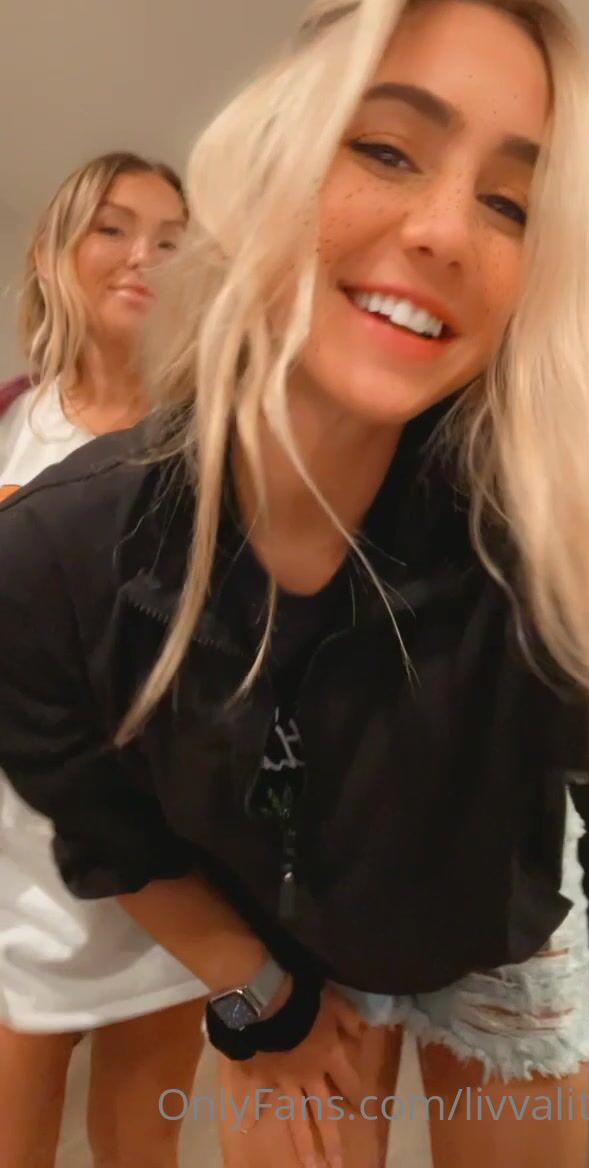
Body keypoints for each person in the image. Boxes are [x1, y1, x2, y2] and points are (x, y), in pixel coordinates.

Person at [1, 0, 589, 1165]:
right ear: (272, 166)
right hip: (287, 948)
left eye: (509, 202)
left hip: (493, 927)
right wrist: (263, 994)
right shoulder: (55, 557)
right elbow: (109, 831)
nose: (445, 229)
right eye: (386, 149)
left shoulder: (544, 527)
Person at [0, 152, 209, 1168]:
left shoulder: (213, 444)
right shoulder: (8, 424)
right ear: (51, 255)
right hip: (13, 875)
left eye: (171, 240)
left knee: (142, 1144)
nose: (143, 257)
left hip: (161, 869)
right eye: (113, 228)